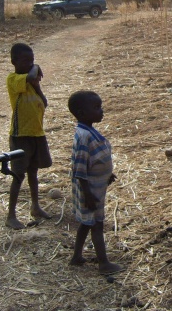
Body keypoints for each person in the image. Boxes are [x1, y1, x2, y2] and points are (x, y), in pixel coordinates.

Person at [68, 90, 123, 275]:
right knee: (96, 224)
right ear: (82, 113)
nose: (101, 111)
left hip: (95, 187)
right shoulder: (84, 137)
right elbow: (80, 169)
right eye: (97, 107)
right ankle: (104, 263)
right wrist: (88, 194)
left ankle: (76, 256)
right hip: (90, 191)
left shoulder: (88, 131)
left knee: (86, 223)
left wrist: (107, 174)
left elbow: (95, 159)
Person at [6, 43, 52, 229]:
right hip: (21, 135)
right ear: (13, 62)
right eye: (25, 61)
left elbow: (45, 102)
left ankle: (35, 206)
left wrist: (38, 87)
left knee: (33, 172)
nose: (29, 64)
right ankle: (11, 215)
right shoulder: (14, 79)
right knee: (18, 175)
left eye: (32, 61)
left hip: (36, 133)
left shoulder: (31, 83)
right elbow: (32, 74)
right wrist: (36, 68)